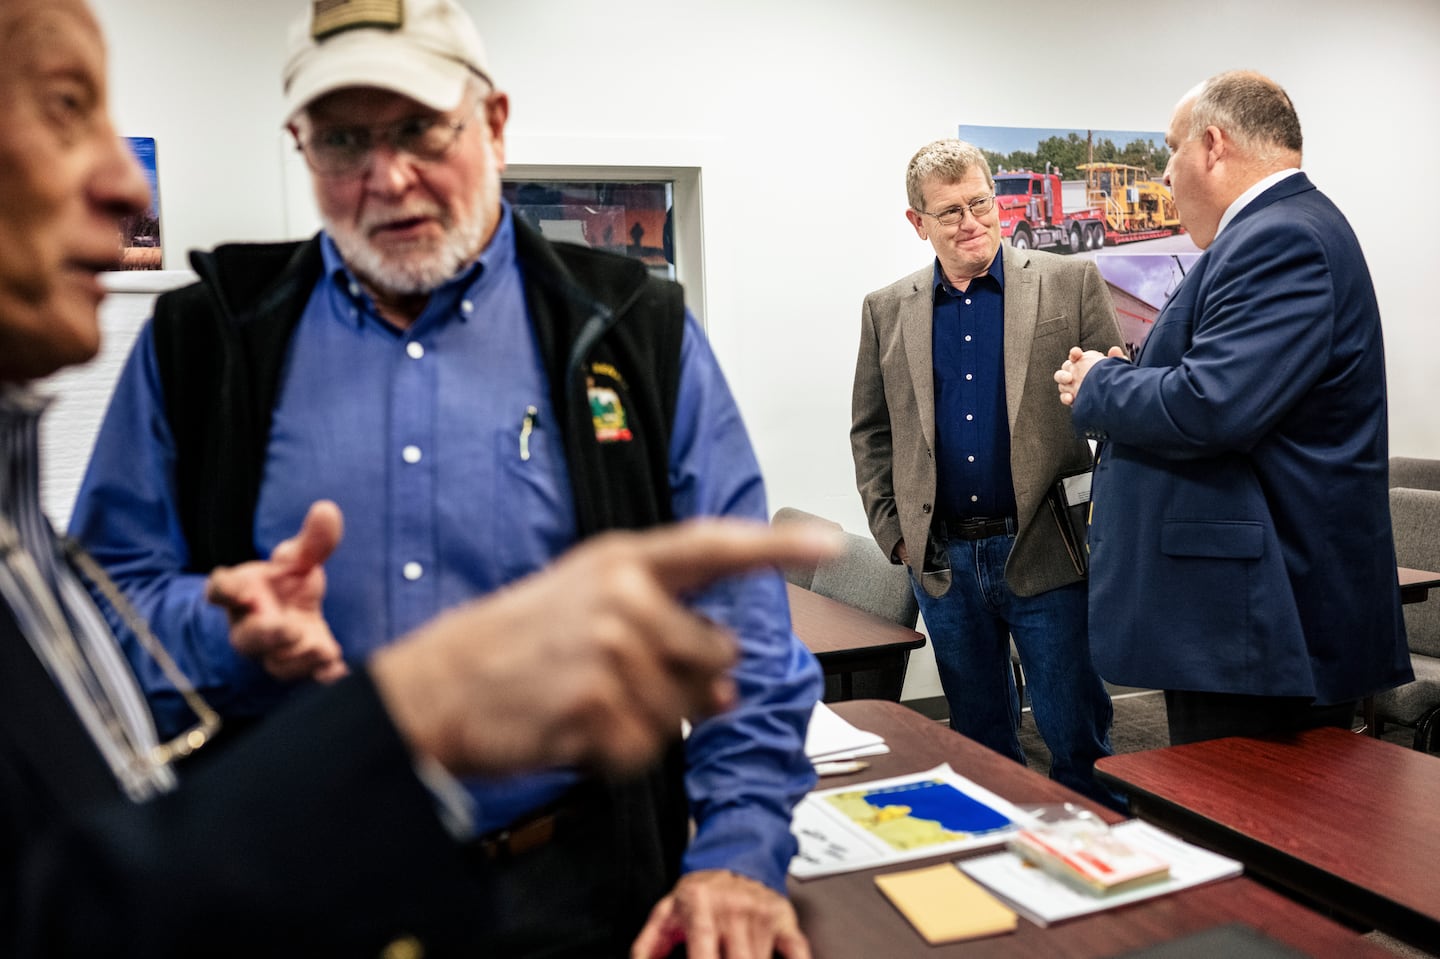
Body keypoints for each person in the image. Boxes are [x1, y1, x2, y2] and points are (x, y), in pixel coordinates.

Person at [0, 3, 841, 954]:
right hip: (288, 890)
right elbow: (97, 633)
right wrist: (222, 632)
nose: (386, 175)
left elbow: (746, 643)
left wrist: (734, 851)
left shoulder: (635, 333)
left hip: (581, 887)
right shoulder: (205, 341)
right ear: (300, 148)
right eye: (342, 141)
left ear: (492, 122)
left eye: (417, 130)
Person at [1054, 70, 1412, 745]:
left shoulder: (1283, 240)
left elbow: (1209, 404)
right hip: (1246, 621)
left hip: (1265, 623)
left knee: (1257, 834)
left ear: (1213, 145)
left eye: (1169, 149)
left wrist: (1101, 383)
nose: (1163, 174)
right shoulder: (1277, 232)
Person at [850, 138, 1124, 807]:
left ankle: (1105, 872)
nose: (971, 221)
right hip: (944, 560)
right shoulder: (886, 309)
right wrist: (897, 538)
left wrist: (1104, 525)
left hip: (1047, 547)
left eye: (979, 202)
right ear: (918, 222)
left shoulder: (1068, 283)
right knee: (975, 744)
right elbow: (872, 430)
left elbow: (1118, 407)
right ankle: (999, 867)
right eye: (950, 212)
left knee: (1075, 734)